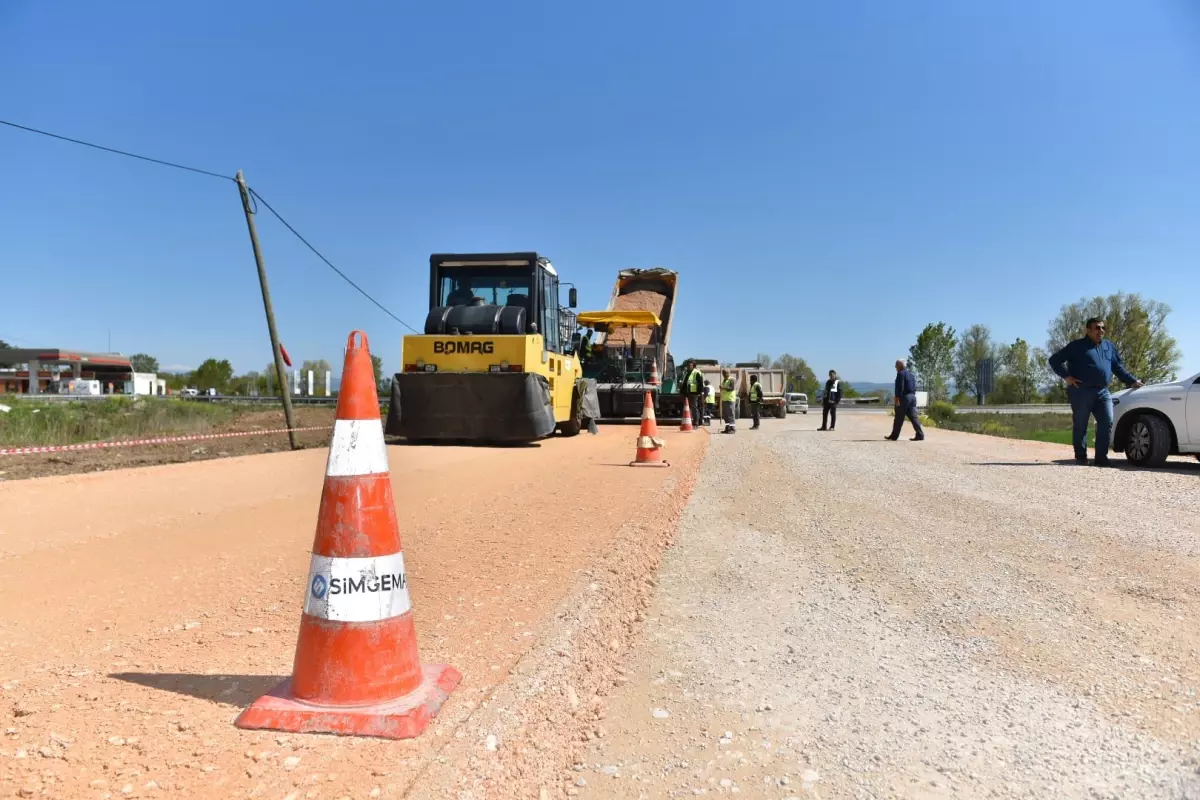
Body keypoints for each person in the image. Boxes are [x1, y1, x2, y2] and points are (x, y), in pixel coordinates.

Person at [1048, 317, 1142, 466]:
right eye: (1097, 328)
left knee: (1107, 421)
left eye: (1103, 328)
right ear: (1088, 330)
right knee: (1081, 424)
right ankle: (1081, 456)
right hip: (1081, 391)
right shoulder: (1076, 346)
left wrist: (1132, 381)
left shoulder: (1108, 346)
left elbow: (1117, 367)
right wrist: (1067, 377)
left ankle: (1101, 458)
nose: (1101, 331)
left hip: (1103, 392)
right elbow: (1054, 360)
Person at [886, 359, 924, 441]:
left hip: (904, 398)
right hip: (912, 397)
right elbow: (914, 387)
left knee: (898, 417)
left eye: (896, 366)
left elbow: (900, 387)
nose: (895, 367)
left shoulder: (900, 374)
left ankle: (894, 436)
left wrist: (897, 397)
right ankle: (920, 435)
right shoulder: (911, 375)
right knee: (914, 417)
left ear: (899, 366)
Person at [682, 360, 704, 427]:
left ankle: (696, 423)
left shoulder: (696, 373)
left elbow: (700, 384)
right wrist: (682, 392)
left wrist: (700, 393)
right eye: (688, 365)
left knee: (694, 408)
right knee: (689, 408)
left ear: (693, 366)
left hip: (694, 393)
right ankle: (690, 422)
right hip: (688, 393)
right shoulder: (687, 373)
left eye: (690, 365)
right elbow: (685, 383)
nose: (689, 366)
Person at [720, 369, 737, 433]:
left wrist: (723, 388)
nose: (725, 374)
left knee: (730, 415)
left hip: (730, 399)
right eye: (724, 373)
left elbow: (732, 388)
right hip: (724, 399)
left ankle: (732, 429)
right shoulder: (724, 380)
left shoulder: (732, 379)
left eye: (726, 373)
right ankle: (727, 428)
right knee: (725, 415)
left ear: (729, 373)